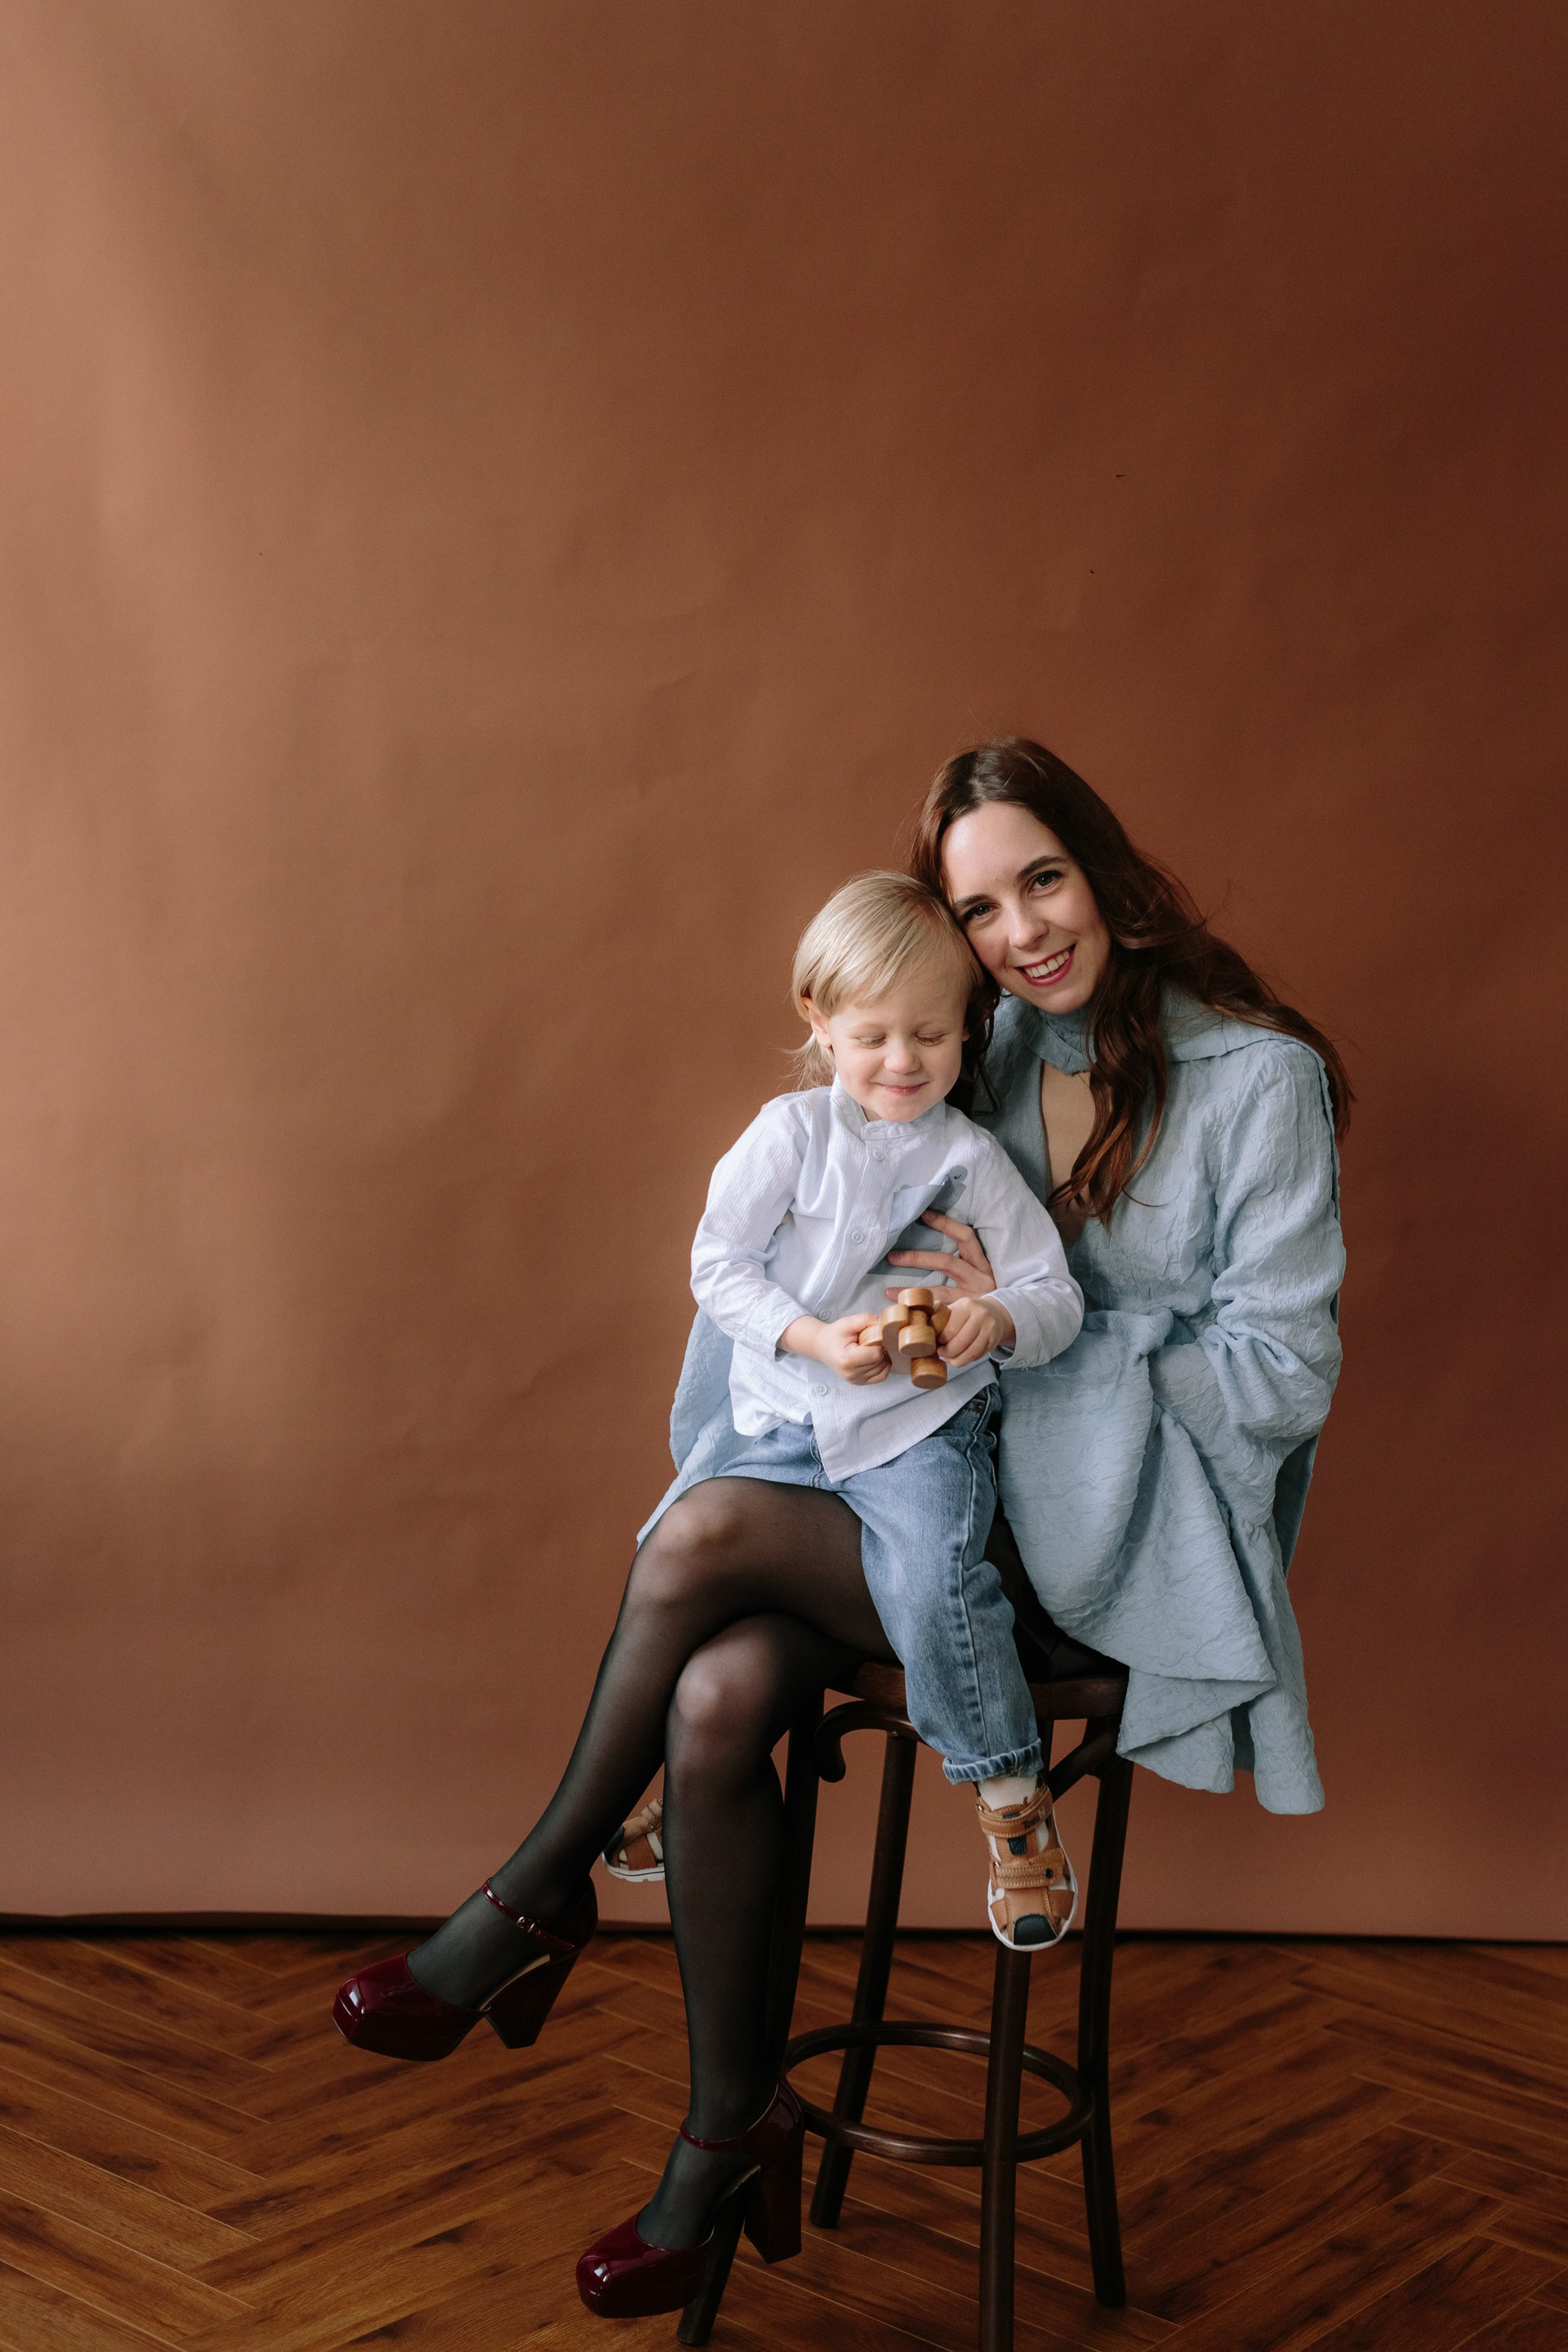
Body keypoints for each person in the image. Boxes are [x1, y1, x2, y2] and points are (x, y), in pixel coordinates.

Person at [332, 736, 1348, 2324]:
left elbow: (1281, 1378)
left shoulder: (1259, 1079)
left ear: (1105, 871)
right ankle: (723, 2134)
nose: (1020, 931)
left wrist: (1035, 1337)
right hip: (927, 1497)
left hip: (1107, 1542)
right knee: (718, 1689)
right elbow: (804, 1235)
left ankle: (532, 1902)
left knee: (702, 1543)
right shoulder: (963, 1045)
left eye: (1043, 880)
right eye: (981, 907)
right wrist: (850, 1334)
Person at [685, 869, 1085, 1948]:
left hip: (919, 1429)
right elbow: (718, 1265)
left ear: (969, 1029)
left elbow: (1056, 1296)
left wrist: (994, 1317)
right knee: (683, 1541)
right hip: (790, 1414)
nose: (903, 1062)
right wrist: (813, 1338)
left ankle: (1011, 1798)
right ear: (818, 1021)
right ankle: (658, 1785)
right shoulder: (790, 1135)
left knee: (933, 1578)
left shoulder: (970, 1159)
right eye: (872, 1037)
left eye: (931, 1037)